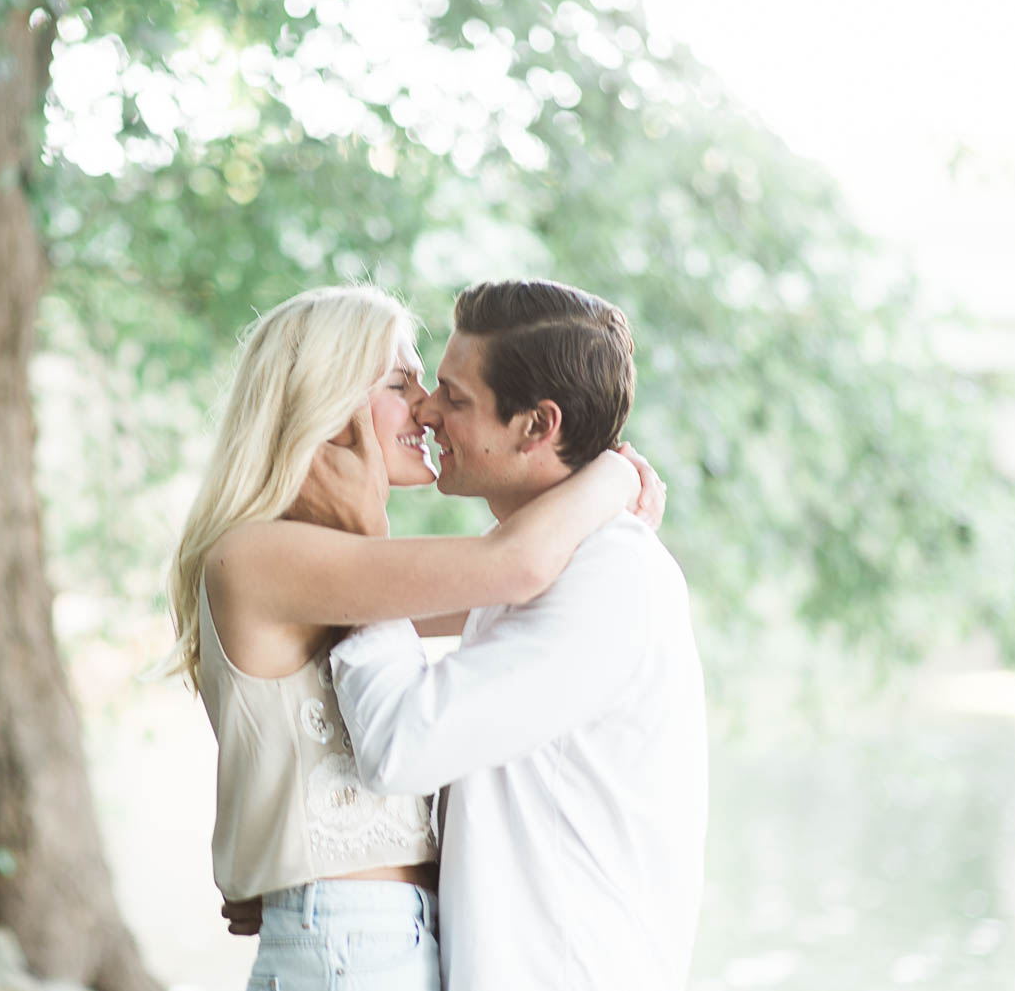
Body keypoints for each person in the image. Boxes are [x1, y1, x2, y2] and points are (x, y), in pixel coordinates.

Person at [144, 285, 662, 991]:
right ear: (325, 408)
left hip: (376, 932)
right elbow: (512, 568)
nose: (423, 405)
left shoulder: (327, 564)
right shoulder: (266, 555)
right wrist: (612, 477)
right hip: (349, 936)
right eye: (400, 382)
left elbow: (518, 592)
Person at [302, 279, 708, 991]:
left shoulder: (610, 575)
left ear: (535, 426)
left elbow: (403, 742)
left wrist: (360, 534)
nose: (427, 409)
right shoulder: (540, 563)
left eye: (454, 397)